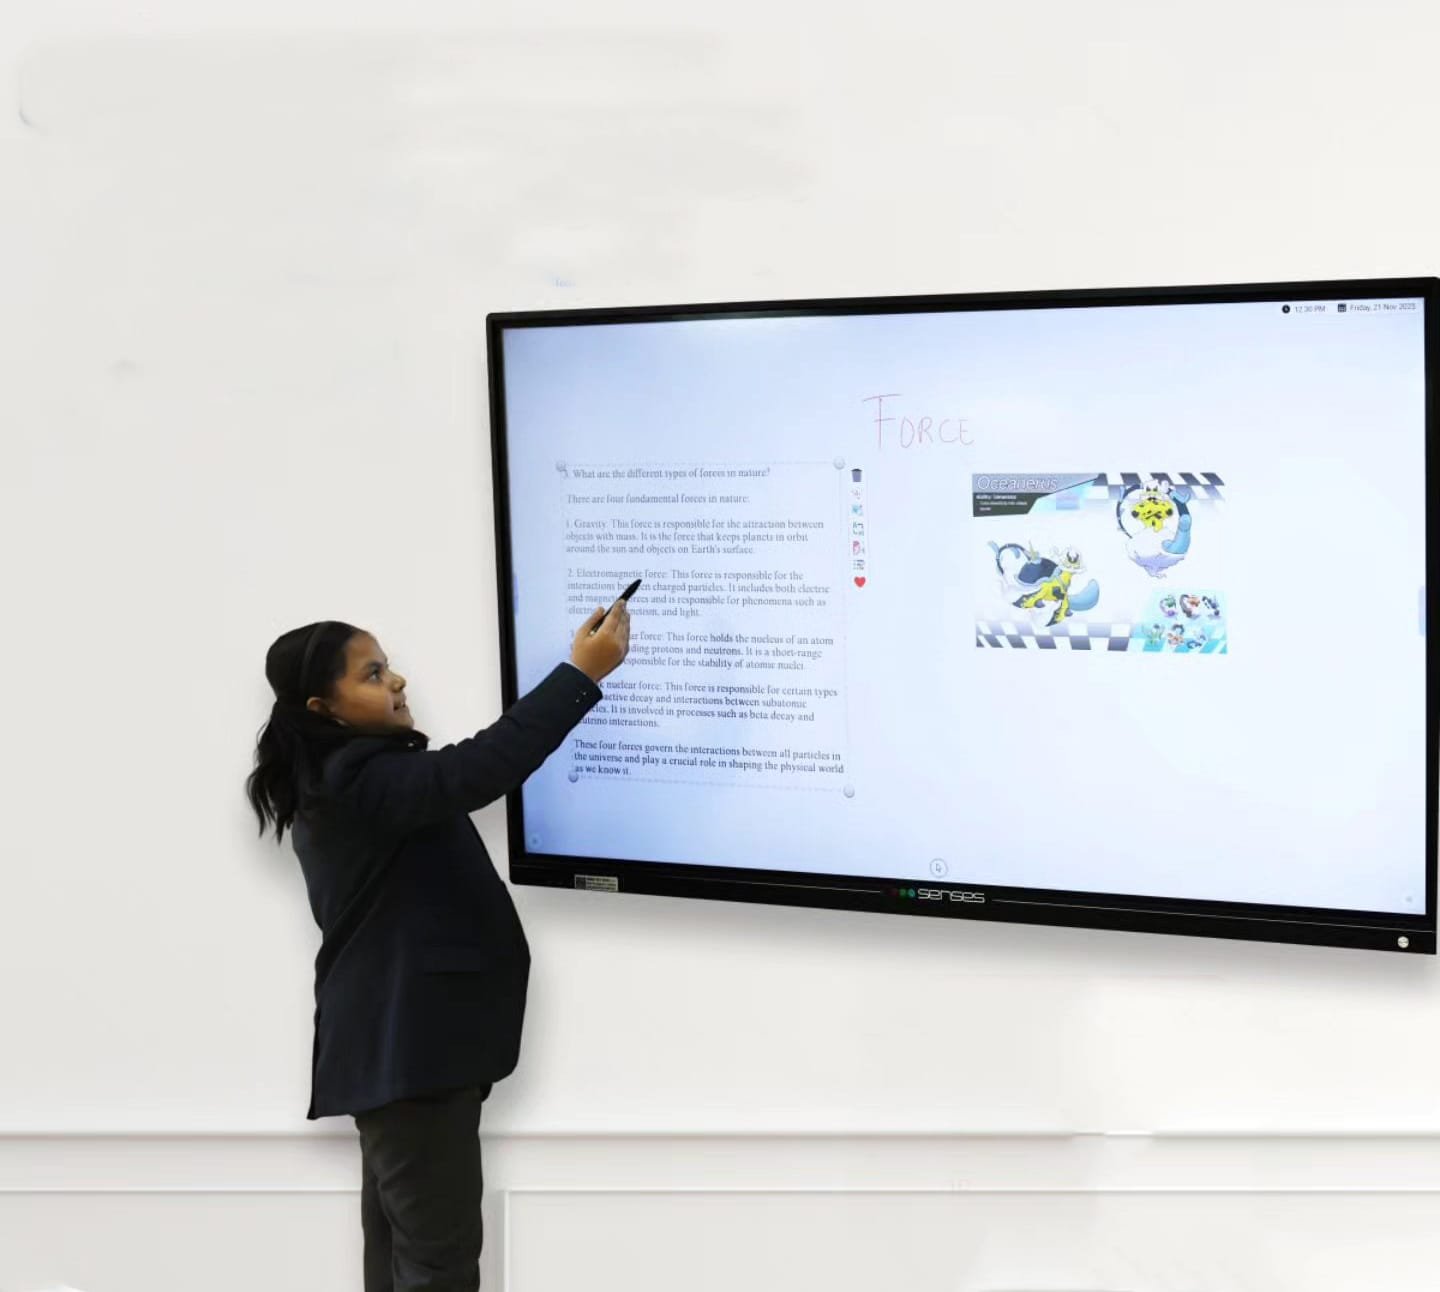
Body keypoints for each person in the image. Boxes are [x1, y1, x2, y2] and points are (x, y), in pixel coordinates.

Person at [246, 604, 630, 1291]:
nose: (397, 681)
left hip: (402, 1061)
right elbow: (480, 767)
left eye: (387, 666)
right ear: (323, 709)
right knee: (437, 1269)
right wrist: (581, 675)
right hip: (409, 1061)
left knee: (403, 1260)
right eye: (372, 674)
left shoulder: (349, 777)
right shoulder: (356, 782)